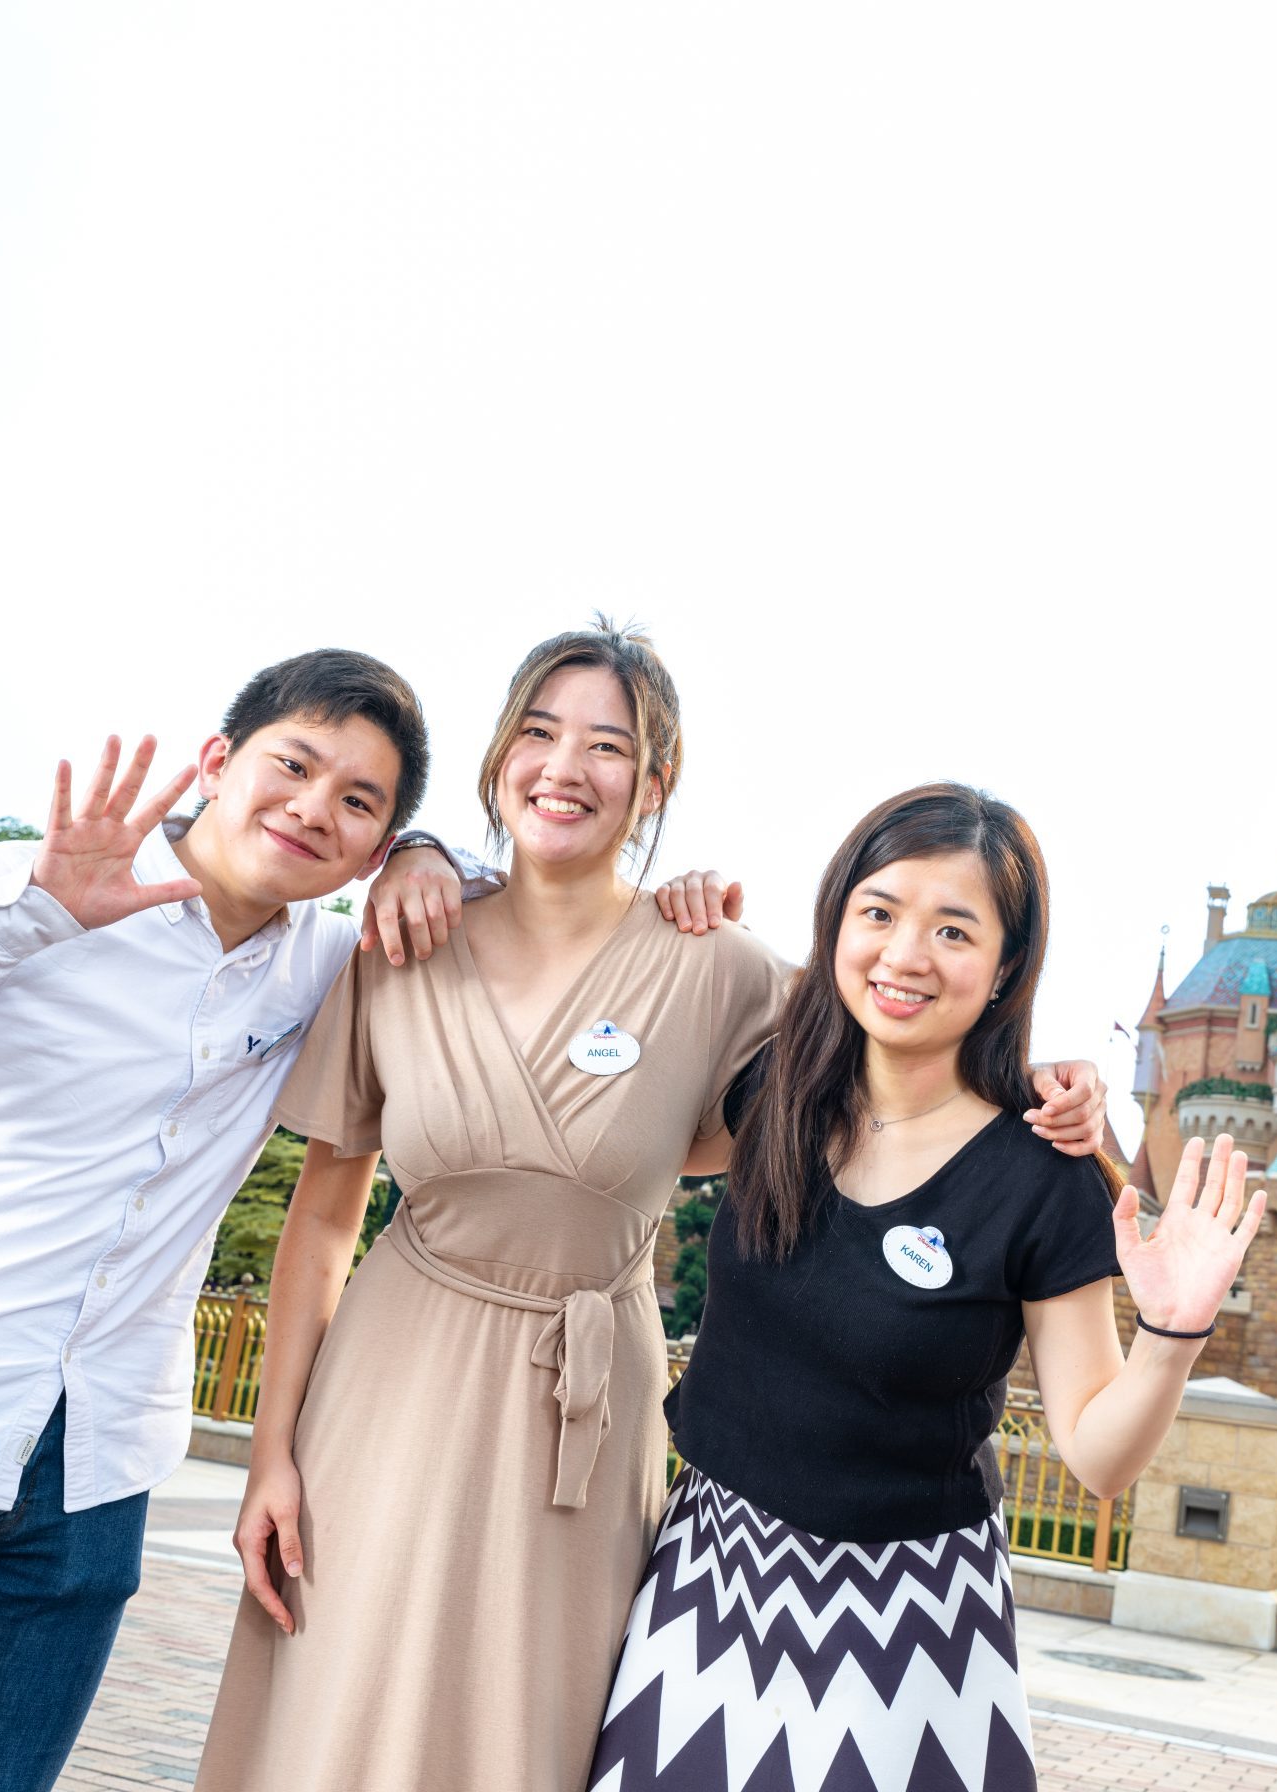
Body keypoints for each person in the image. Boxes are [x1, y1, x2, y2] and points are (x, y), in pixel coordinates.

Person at [194, 624, 1108, 1792]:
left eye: (607, 746)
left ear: (655, 782)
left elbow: (898, 1044)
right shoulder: (403, 934)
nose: (564, 766)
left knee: (534, 1723)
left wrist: (1052, 1089)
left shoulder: (716, 966)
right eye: (537, 732)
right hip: (390, 1383)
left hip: (584, 1409)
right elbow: (323, 1222)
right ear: (499, 755)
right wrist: (271, 1451)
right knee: (339, 1696)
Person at [0, 650, 488, 1792]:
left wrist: (435, 857)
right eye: (294, 764)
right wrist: (27, 910)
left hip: (90, 1474)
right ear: (218, 762)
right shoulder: (37, 885)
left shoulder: (330, 970)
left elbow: (520, 903)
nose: (313, 807)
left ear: (371, 848)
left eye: (361, 803)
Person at [588, 783, 1265, 1792]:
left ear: (1003, 968)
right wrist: (660, 899)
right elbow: (605, 1098)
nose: (904, 954)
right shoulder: (775, 1089)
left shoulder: (1042, 1169)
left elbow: (1098, 1454)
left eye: (953, 930)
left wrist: (1173, 1330)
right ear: (838, 922)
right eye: (880, 912)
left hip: (906, 1625)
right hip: (708, 1581)